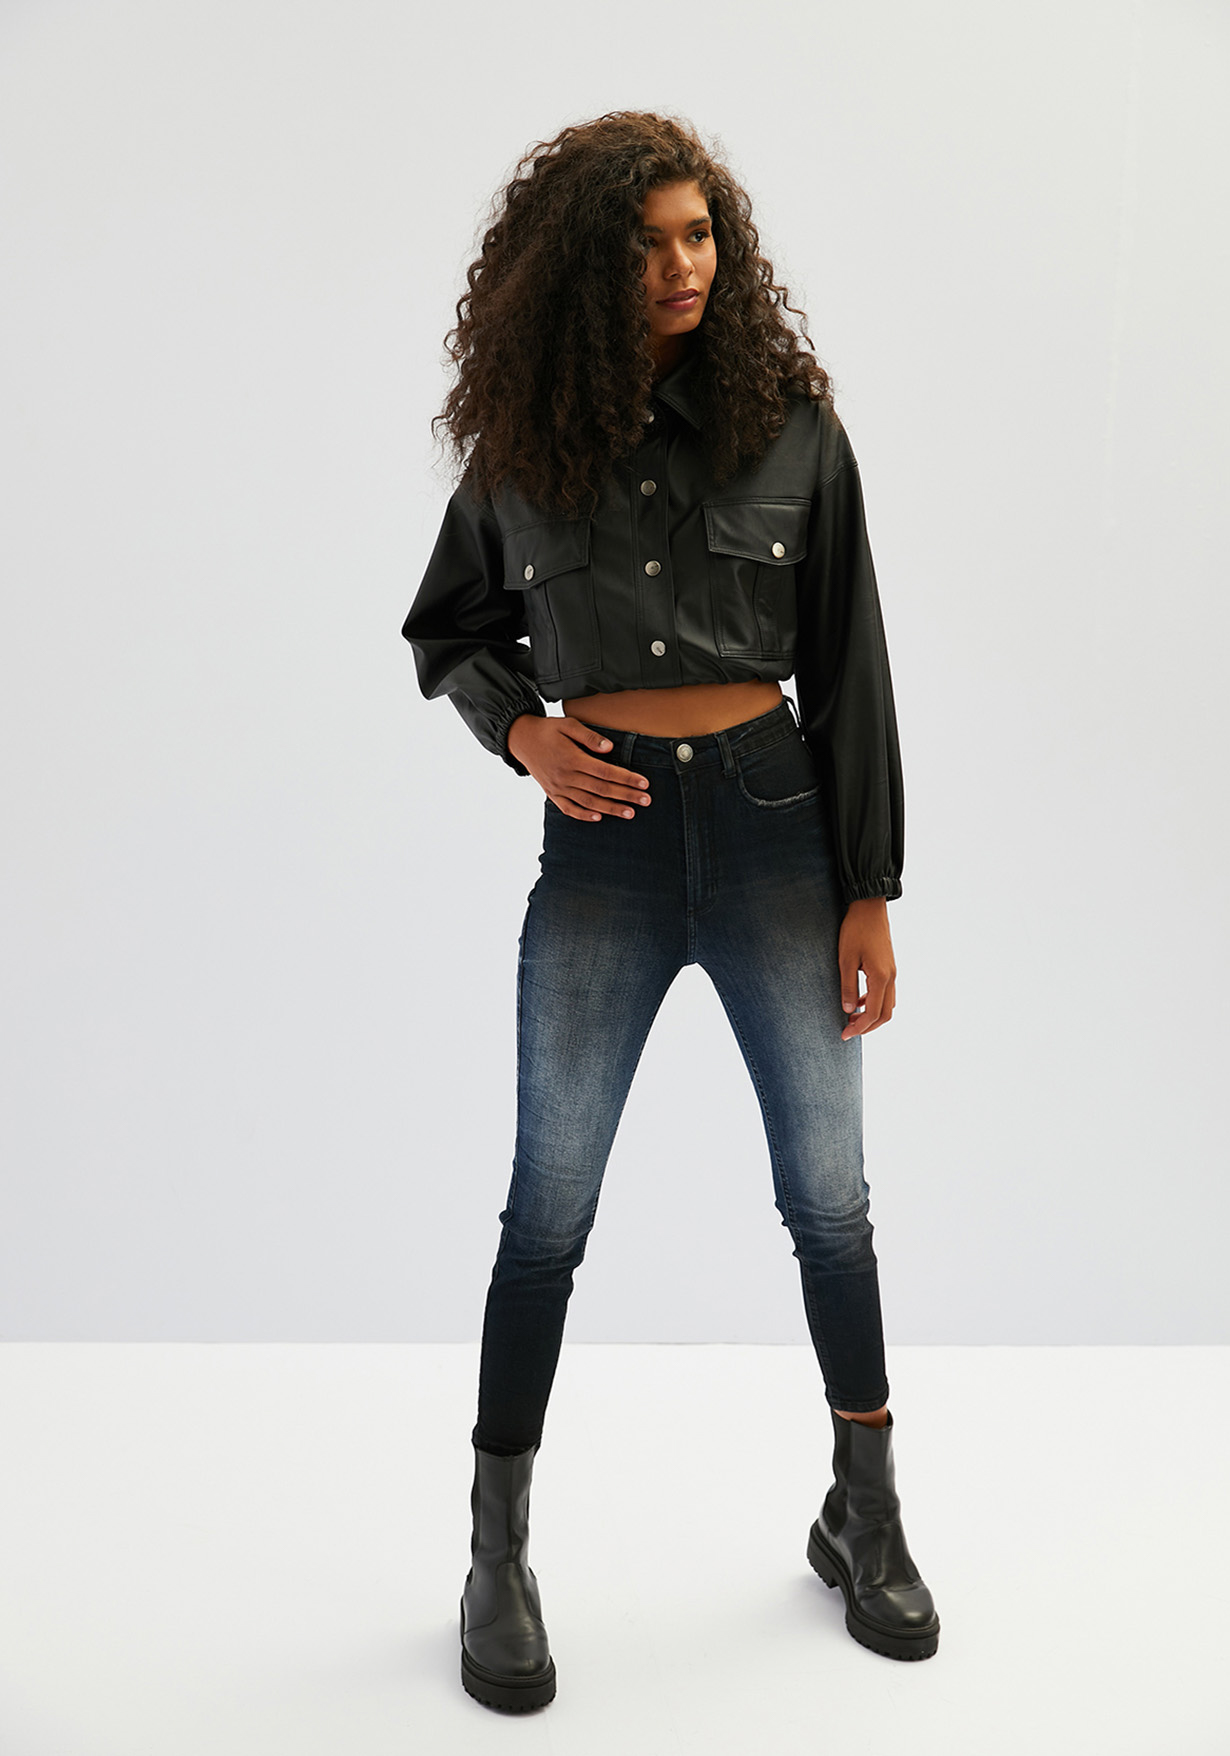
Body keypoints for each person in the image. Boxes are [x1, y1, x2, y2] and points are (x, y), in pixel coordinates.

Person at [401, 111, 939, 1712]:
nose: (680, 264)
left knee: (828, 1200)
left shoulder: (793, 430)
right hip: (607, 847)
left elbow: (848, 666)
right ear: (586, 269)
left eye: (698, 235)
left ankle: (864, 1513)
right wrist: (522, 733)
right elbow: (446, 628)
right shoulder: (523, 451)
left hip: (776, 833)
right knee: (547, 1208)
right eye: (643, 244)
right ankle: (495, 1552)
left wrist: (869, 890)